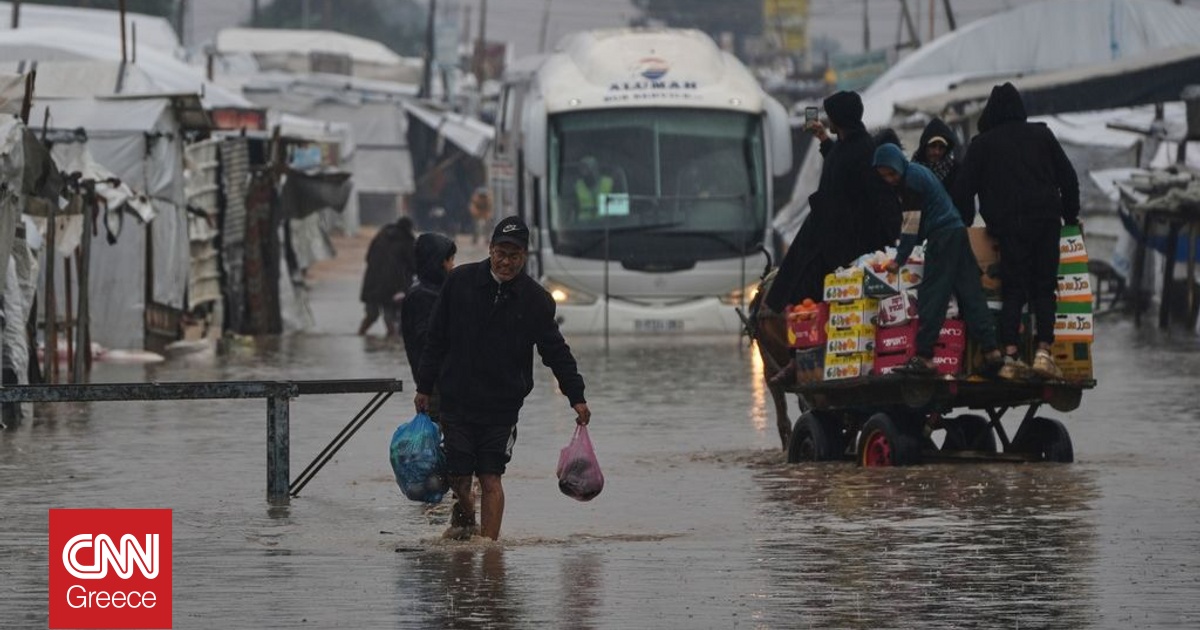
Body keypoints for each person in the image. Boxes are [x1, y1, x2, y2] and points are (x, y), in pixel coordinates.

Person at [414, 215, 591, 541]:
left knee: (491, 477)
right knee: (459, 478)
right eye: (501, 253)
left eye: (514, 256)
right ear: (490, 249)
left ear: (524, 257)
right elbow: (435, 339)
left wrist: (575, 396)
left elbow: (555, 352)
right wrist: (424, 387)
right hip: (457, 401)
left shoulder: (536, 300)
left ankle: (488, 551)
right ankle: (465, 525)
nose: (506, 262)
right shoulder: (460, 282)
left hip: (502, 407)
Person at [952, 82, 1080, 379]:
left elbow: (962, 190)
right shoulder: (1042, 134)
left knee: (1014, 289)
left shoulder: (982, 144)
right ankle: (1044, 353)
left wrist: (968, 222)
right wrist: (1070, 215)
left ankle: (1010, 356)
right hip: (1047, 220)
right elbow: (1068, 178)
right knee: (1044, 287)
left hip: (1009, 226)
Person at [872, 143, 1006, 377]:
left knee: (933, 294)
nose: (890, 179)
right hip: (956, 231)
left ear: (898, 166)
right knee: (970, 291)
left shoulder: (910, 181)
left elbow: (910, 225)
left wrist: (899, 259)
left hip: (942, 236)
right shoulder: (915, 171)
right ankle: (991, 350)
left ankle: (924, 356)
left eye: (892, 173)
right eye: (884, 176)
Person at [764, 90, 899, 313]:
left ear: (840, 119)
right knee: (796, 282)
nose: (829, 121)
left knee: (807, 286)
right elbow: (840, 161)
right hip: (828, 234)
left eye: (831, 116)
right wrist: (824, 138)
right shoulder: (849, 144)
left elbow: (879, 198)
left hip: (846, 244)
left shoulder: (864, 150)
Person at [401, 231, 457, 419]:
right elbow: (427, 342)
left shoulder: (438, 291)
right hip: (436, 386)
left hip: (446, 384)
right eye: (450, 260)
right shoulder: (423, 296)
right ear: (439, 262)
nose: (452, 265)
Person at [358, 216, 416, 337]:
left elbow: (368, 257)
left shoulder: (381, 236)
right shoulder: (407, 241)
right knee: (390, 317)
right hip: (392, 286)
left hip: (372, 282)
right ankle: (392, 346)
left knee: (371, 315)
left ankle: (360, 334)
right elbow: (414, 265)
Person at [911, 117, 960, 195]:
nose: (937, 152)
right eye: (932, 146)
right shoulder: (913, 171)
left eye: (941, 147)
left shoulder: (956, 171)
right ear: (925, 147)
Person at [572, 156, 615, 220]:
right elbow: (572, 210)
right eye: (582, 169)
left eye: (588, 168)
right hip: (583, 226)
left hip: (607, 225)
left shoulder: (609, 183)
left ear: (596, 169)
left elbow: (619, 210)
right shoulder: (577, 186)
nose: (585, 172)